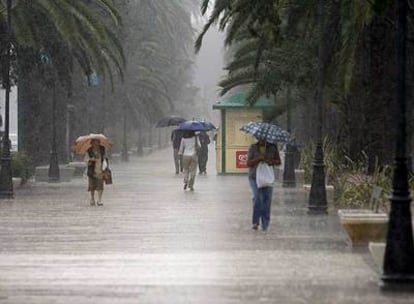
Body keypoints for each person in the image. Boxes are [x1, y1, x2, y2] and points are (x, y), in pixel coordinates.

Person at [247, 139, 281, 231]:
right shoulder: (253, 147)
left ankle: (265, 223)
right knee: (257, 197)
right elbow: (248, 163)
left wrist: (270, 161)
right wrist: (258, 159)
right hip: (254, 177)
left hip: (267, 177)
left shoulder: (272, 147)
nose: (262, 139)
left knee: (267, 200)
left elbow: (278, 161)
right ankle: (255, 221)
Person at [85, 139, 108, 206]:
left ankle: (99, 200)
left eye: (97, 143)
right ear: (91, 143)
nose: (96, 145)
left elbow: (105, 158)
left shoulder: (102, 149)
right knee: (92, 186)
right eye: (94, 143)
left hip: (101, 170)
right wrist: (90, 159)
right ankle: (92, 198)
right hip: (92, 170)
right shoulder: (89, 150)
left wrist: (104, 158)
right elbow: (86, 160)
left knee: (100, 185)